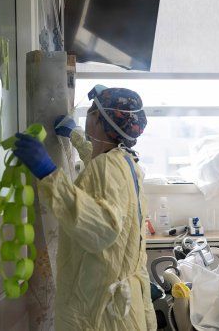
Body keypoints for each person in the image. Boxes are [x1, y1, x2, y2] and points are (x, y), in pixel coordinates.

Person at [13, 85, 156, 330]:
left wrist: (49, 175)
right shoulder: (126, 161)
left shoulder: (107, 168)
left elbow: (102, 228)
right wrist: (75, 134)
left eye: (92, 111)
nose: (88, 115)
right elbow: (97, 164)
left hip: (100, 308)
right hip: (121, 305)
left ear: (102, 123)